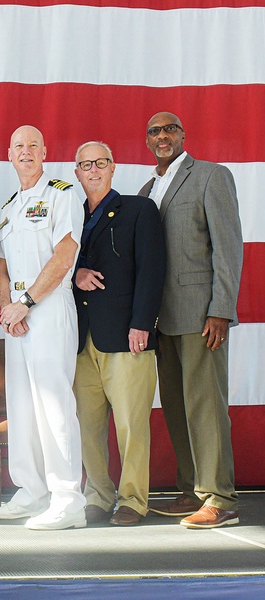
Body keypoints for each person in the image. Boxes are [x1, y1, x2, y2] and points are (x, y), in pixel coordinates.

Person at [138, 112, 243, 529]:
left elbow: (228, 246)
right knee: (177, 406)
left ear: (183, 134)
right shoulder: (148, 189)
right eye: (155, 132)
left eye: (170, 129)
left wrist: (221, 308)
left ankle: (221, 498)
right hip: (162, 318)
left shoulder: (212, 176)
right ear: (147, 141)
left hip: (202, 314)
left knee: (206, 406)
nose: (162, 136)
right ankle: (192, 489)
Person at [0, 125, 87, 530]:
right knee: (24, 407)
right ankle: (32, 492)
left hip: (47, 307)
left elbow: (66, 253)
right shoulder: (10, 206)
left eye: (32, 145)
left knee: (55, 405)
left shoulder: (61, 193)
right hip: (19, 315)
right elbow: (1, 266)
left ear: (45, 151)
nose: (25, 152)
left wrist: (26, 303)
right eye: (18, 147)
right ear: (9, 155)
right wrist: (8, 308)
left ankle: (68, 499)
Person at [71, 141, 165, 527]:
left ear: (113, 167)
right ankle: (97, 495)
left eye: (100, 163)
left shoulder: (140, 209)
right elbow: (59, 266)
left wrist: (142, 322)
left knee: (130, 424)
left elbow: (152, 270)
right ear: (76, 173)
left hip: (128, 336)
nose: (93, 170)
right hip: (79, 339)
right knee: (88, 427)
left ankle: (132, 500)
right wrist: (76, 274)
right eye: (85, 164)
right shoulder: (69, 215)